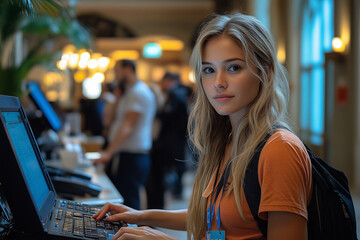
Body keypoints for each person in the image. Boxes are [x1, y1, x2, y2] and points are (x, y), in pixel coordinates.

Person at [93, 12, 312, 240]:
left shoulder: (280, 150)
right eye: (209, 70)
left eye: (234, 68)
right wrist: (140, 215)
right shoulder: (227, 140)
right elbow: (214, 217)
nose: (218, 83)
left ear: (264, 71)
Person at [93, 59, 156, 210]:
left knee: (129, 203)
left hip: (134, 156)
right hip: (126, 154)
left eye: (117, 71)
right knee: (123, 199)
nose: (115, 75)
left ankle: (132, 233)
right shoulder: (127, 93)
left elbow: (128, 126)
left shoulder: (138, 93)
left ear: (128, 69)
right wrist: (116, 97)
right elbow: (108, 121)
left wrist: (108, 153)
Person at [146, 72, 192, 209]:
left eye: (164, 82)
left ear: (169, 81)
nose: (162, 85)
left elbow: (167, 117)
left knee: (161, 178)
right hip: (173, 143)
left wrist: (158, 113)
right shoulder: (179, 94)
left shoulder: (175, 95)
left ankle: (159, 206)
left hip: (167, 144)